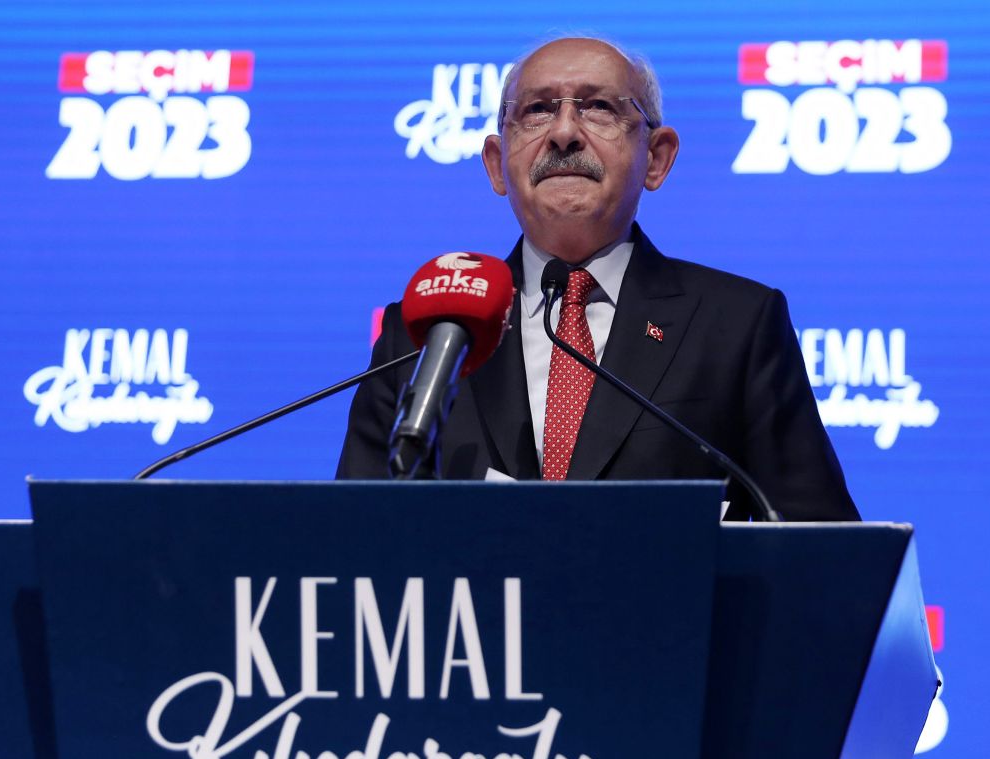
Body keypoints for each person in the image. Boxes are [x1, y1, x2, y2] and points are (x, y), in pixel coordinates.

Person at [338, 36, 859, 521]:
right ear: (497, 165)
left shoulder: (737, 325)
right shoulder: (426, 332)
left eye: (598, 108)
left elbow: (824, 548)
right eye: (538, 110)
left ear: (656, 158)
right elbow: (352, 538)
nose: (564, 133)